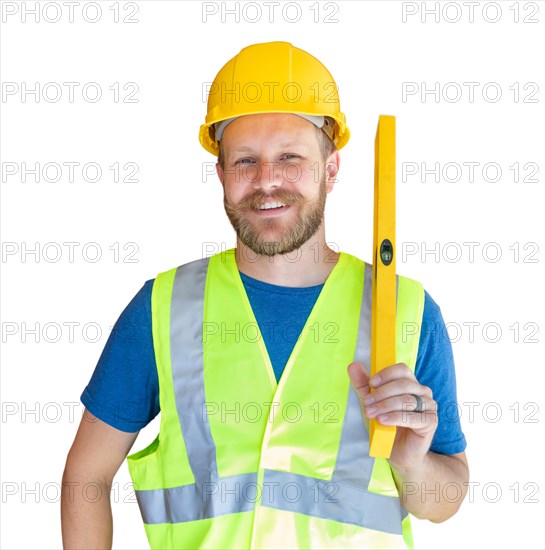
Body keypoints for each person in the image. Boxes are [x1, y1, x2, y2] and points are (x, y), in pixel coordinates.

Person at [61, 41, 469, 549]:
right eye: (246, 161)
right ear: (221, 174)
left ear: (332, 169)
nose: (267, 181)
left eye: (290, 158)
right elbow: (86, 477)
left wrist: (411, 461)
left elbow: (444, 502)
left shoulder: (406, 311)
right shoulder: (163, 308)